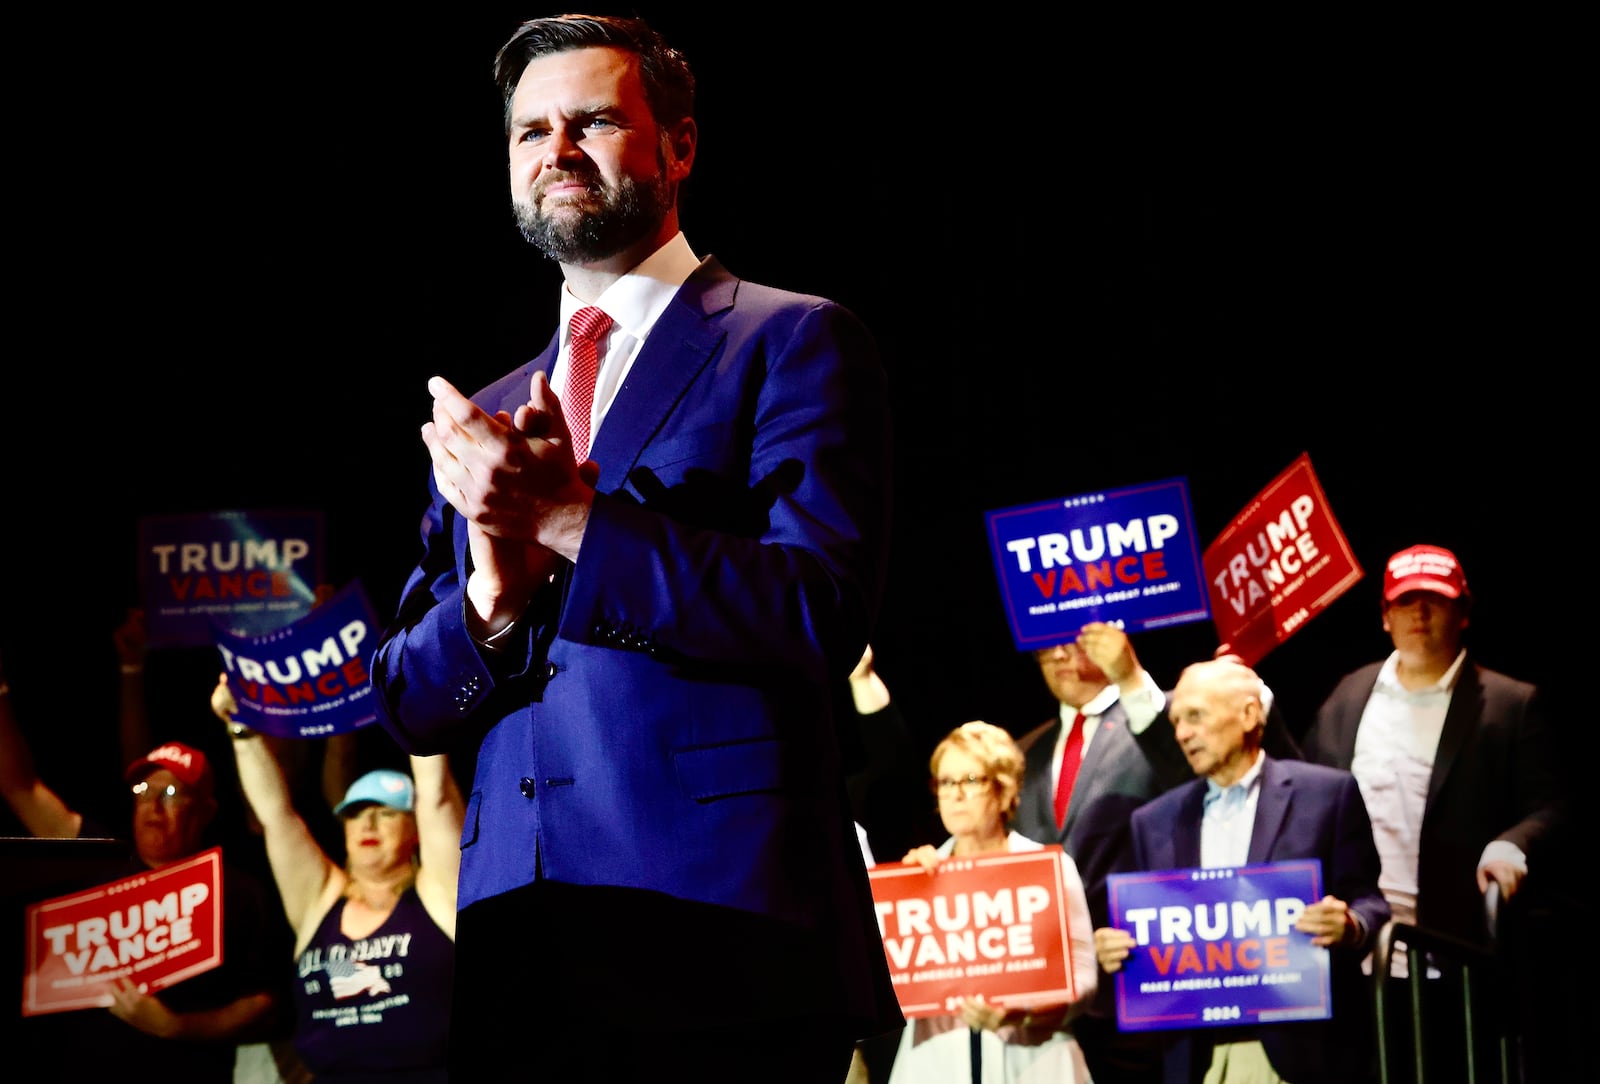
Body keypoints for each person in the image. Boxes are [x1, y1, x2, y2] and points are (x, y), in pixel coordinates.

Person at [366, 13, 898, 1082]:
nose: (555, 150)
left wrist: (570, 521)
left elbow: (817, 611)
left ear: (680, 147)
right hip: (521, 946)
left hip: (725, 936)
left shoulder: (790, 339)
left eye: (593, 120)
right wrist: (492, 603)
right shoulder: (490, 416)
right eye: (529, 131)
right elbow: (410, 700)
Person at [1300, 543, 1568, 1079]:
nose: (1419, 615)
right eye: (1406, 602)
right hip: (1356, 953)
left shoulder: (1511, 703)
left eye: (1435, 601)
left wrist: (1512, 843)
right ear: (1384, 617)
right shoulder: (1351, 695)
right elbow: (1304, 788)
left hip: (1454, 955)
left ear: (1463, 612)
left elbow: (1552, 805)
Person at [1013, 623, 1302, 1083]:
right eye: (1048, 646)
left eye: (1076, 641)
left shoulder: (1162, 724)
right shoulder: (1023, 753)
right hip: (1052, 1003)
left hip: (1150, 985)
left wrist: (1130, 679)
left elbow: (1204, 780)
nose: (1063, 655)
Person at [0, 637, 289, 1084]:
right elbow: (21, 788)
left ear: (206, 810)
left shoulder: (237, 891)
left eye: (172, 795)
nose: (153, 807)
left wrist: (175, 1027)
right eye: (143, 793)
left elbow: (266, 1007)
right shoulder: (97, 861)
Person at [1093, 658, 1390, 1084]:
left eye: (1195, 716)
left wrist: (1350, 923)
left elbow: (1371, 902)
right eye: (1176, 720)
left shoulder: (1325, 795)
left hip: (1301, 1051)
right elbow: (1150, 930)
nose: (1181, 733)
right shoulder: (1154, 820)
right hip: (1196, 1059)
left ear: (1250, 714)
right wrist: (1117, 947)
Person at [212, 676, 464, 1084]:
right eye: (355, 812)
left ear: (414, 829)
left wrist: (422, 695)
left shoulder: (438, 894)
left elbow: (434, 794)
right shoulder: (319, 899)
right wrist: (241, 729)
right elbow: (277, 818)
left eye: (386, 813)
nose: (368, 822)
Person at [886, 720, 1097, 1083]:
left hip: (1032, 1058)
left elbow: (1083, 980)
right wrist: (906, 892)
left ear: (1004, 790)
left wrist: (1024, 1011)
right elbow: (894, 985)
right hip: (935, 1063)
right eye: (946, 782)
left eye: (971, 781)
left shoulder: (1047, 869)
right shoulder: (918, 874)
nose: (955, 794)